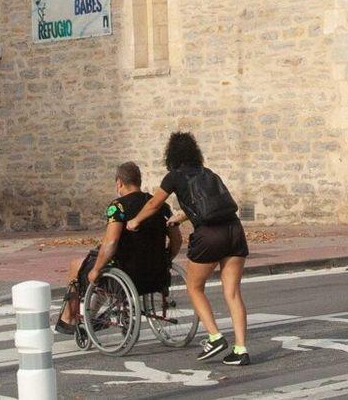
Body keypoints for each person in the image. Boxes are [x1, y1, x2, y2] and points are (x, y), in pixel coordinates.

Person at [127, 132, 251, 366]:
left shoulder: (174, 177)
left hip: (209, 235)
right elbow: (209, 205)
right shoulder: (209, 174)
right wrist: (179, 218)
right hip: (234, 230)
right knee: (233, 292)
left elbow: (154, 203)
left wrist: (135, 221)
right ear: (195, 152)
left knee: (194, 287)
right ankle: (241, 349)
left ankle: (214, 337)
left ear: (171, 155)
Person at [55, 162, 182, 334]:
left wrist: (97, 269)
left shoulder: (118, 206)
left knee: (80, 267)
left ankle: (67, 319)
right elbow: (176, 240)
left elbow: (111, 243)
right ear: (139, 181)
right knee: (103, 269)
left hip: (127, 272)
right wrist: (166, 259)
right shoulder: (160, 206)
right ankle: (91, 316)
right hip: (156, 274)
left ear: (119, 182)